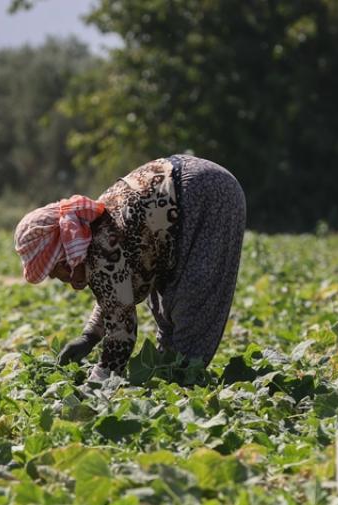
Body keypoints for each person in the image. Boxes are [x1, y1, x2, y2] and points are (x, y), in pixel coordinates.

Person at [14, 155, 245, 380]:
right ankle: (173, 374)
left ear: (64, 255)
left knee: (193, 302)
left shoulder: (101, 247)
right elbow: (117, 292)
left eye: (55, 271)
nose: (59, 278)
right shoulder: (91, 227)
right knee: (167, 316)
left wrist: (98, 383)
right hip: (187, 188)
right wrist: (90, 335)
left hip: (207, 196)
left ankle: (184, 378)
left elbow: (122, 334)